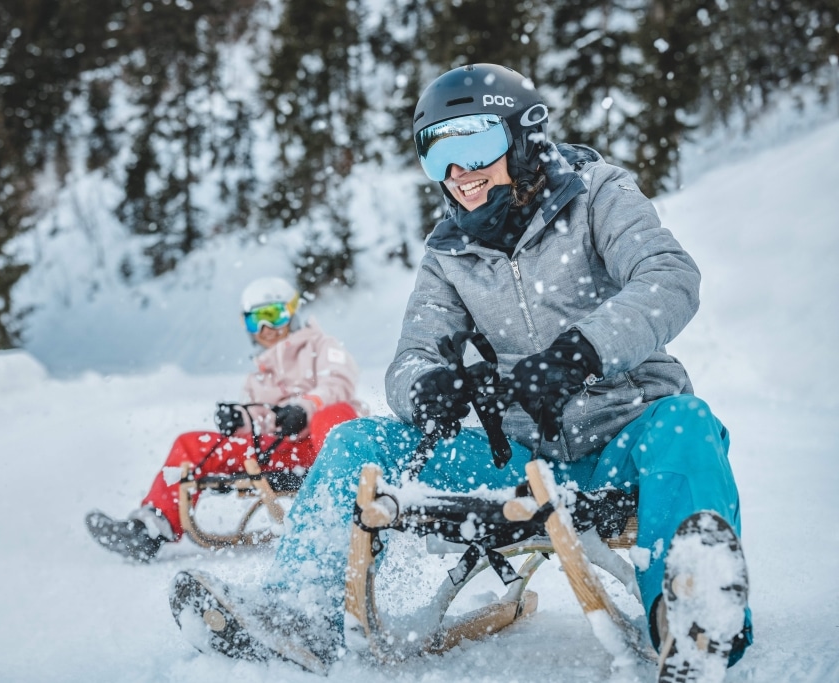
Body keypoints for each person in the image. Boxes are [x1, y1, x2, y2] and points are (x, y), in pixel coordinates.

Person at [169, 65, 753, 683]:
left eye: (473, 145)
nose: (459, 174)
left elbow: (669, 278)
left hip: (628, 440)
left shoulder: (598, 195)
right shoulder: (449, 253)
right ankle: (298, 616)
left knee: (689, 425)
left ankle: (690, 620)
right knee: (356, 440)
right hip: (522, 462)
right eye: (436, 155)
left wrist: (577, 353)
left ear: (523, 137)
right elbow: (410, 359)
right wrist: (426, 389)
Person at [85, 276, 367, 562]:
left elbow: (338, 385)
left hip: (328, 449)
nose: (266, 328)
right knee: (190, 444)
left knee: (335, 414)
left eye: (273, 315)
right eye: (256, 320)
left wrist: (304, 408)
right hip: (283, 452)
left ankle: (343, 507)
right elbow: (262, 422)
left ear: (292, 313)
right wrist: (241, 420)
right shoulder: (260, 374)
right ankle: (150, 528)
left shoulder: (323, 346)